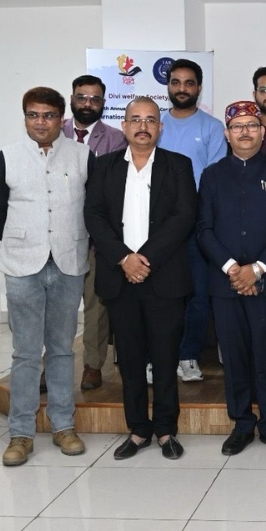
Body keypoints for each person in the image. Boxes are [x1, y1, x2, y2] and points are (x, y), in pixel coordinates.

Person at [86, 96, 197, 461]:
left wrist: (144, 259)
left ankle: (165, 430)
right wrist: (124, 259)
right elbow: (94, 216)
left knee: (165, 359)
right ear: (124, 126)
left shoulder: (178, 165)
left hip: (164, 276)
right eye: (136, 119)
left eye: (150, 120)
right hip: (120, 279)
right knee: (130, 361)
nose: (143, 126)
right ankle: (137, 430)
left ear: (160, 127)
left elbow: (184, 216)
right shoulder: (104, 166)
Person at [0, 87, 93, 466]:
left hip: (68, 263)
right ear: (25, 118)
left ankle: (64, 426)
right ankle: (21, 433)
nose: (41, 122)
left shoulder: (83, 156)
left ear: (62, 118)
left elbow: (94, 208)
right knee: (26, 352)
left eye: (48, 115)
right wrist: (24, 242)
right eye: (33, 115)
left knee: (62, 349)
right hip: (22, 268)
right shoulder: (7, 157)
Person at [198, 101, 266, 456]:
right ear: (227, 135)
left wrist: (256, 269)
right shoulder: (212, 175)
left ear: (262, 133)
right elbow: (204, 228)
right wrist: (232, 268)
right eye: (237, 126)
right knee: (234, 358)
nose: (245, 132)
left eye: (252, 126)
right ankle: (242, 424)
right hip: (225, 283)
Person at [158, 58, 227, 382]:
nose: (182, 88)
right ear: (168, 86)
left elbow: (214, 180)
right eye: (176, 82)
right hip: (159, 228)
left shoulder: (212, 127)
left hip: (198, 227)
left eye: (189, 83)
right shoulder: (155, 124)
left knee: (199, 296)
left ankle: (188, 356)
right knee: (160, 296)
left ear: (198, 87)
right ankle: (157, 357)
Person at [61, 74, 126, 391]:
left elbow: (113, 189)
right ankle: (52, 364)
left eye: (95, 99)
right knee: (57, 307)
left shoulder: (116, 139)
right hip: (58, 236)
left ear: (104, 103)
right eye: (82, 97)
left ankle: (92, 364)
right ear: (72, 99)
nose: (88, 103)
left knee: (96, 306)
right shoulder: (53, 132)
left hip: (97, 238)